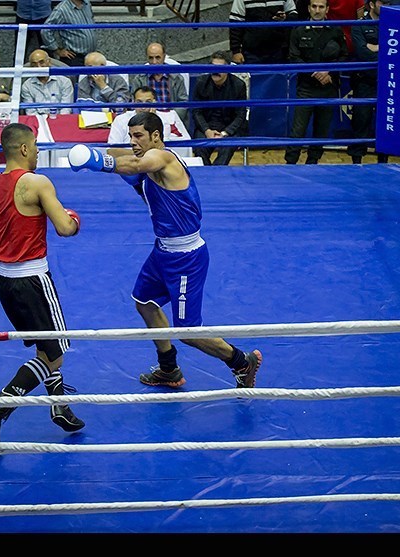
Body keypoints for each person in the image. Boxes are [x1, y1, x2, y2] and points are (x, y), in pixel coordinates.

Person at [67, 112, 262, 389]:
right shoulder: (143, 166)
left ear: (156, 136)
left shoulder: (164, 158)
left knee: (187, 332)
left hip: (186, 258)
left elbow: (133, 164)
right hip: (162, 252)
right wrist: (95, 151)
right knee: (145, 303)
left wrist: (95, 161)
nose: (133, 142)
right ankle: (168, 368)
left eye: (139, 136)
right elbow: (123, 156)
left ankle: (241, 361)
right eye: (130, 136)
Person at [0, 123, 84, 442]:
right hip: (34, 279)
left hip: (4, 282)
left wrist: (5, 257)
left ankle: (59, 406)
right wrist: (74, 220)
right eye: (34, 145)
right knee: (55, 354)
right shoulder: (37, 183)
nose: (37, 151)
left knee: (42, 345)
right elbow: (64, 228)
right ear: (22, 148)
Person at [284, 0, 348, 165]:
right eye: (314, 6)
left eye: (321, 7)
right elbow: (294, 57)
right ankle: (290, 165)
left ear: (327, 9)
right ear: (308, 8)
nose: (317, 10)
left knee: (321, 131)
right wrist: (315, 72)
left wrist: (329, 72)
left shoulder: (335, 30)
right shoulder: (298, 30)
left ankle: (312, 164)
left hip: (329, 87)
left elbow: (344, 56)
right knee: (298, 130)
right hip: (306, 88)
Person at [347, 0, 388, 164]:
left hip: (385, 82)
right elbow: (362, 52)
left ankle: (384, 162)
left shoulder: (393, 26)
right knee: (360, 122)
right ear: (372, 4)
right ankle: (356, 163)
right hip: (363, 81)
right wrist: (384, 49)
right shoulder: (359, 25)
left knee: (385, 124)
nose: (385, 6)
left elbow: (397, 53)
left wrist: (375, 47)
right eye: (382, 2)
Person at [190, 50, 249, 166]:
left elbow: (240, 115)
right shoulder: (201, 82)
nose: (215, 71)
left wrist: (225, 133)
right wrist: (207, 130)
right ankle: (207, 175)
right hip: (206, 127)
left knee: (227, 147)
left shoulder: (238, 85)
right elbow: (197, 112)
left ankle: (216, 175)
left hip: (229, 128)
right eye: (212, 67)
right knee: (199, 147)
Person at [106, 85, 192, 158]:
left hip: (157, 163)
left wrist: (152, 120)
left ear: (155, 102)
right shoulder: (121, 119)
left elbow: (164, 149)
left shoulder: (166, 118)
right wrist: (144, 153)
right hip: (130, 164)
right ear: (133, 102)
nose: (143, 107)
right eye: (139, 102)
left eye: (148, 102)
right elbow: (111, 151)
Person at [129, 42, 190, 123]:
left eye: (158, 57)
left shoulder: (176, 78)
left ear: (164, 57)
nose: (154, 62)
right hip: (147, 120)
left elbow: (183, 103)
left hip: (171, 120)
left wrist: (170, 118)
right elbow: (134, 103)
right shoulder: (139, 78)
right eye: (151, 58)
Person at [229, 0, 300, 64]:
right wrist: (236, 51)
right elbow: (235, 23)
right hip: (252, 52)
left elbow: (293, 14)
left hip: (279, 50)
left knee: (279, 77)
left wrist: (285, 18)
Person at [40, 0, 97, 67]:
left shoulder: (87, 4)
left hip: (91, 55)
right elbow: (45, 30)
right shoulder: (61, 9)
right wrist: (57, 50)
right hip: (74, 57)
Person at [20, 49, 75, 116]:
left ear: (49, 62)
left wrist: (56, 120)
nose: (38, 67)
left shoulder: (64, 81)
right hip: (38, 121)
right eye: (34, 64)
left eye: (41, 62)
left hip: (60, 119)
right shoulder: (26, 86)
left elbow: (66, 109)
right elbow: (30, 112)